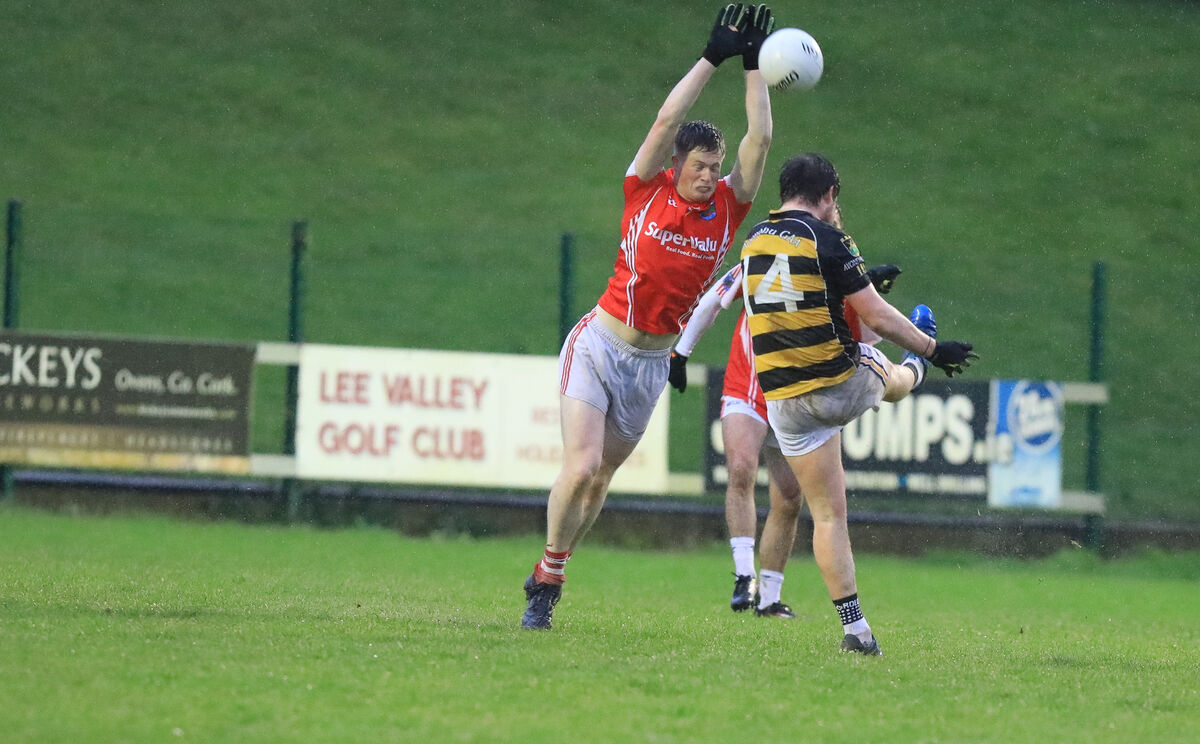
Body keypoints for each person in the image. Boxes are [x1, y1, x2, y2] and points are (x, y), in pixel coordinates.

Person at [521, 4, 777, 630]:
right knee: (578, 466)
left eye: (715, 168)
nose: (710, 176)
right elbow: (666, 119)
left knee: (600, 481)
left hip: (650, 366)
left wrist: (753, 67)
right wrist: (713, 55)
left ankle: (556, 563)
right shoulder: (646, 187)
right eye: (700, 167)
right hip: (599, 344)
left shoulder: (727, 210)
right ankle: (548, 577)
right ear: (677, 165)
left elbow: (760, 140)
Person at [738, 153, 977, 654]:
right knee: (886, 372)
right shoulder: (829, 238)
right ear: (828, 195)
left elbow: (808, 305)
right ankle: (919, 369)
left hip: (782, 402)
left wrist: (859, 282)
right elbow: (874, 315)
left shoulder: (754, 240)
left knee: (826, 516)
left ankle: (856, 630)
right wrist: (932, 348)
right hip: (834, 382)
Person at [670, 207, 901, 620]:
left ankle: (769, 597)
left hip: (796, 394)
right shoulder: (764, 258)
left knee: (790, 497)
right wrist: (681, 352)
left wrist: (873, 300)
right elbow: (712, 300)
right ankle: (745, 577)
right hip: (750, 385)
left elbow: (866, 336)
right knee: (740, 467)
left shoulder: (837, 277)